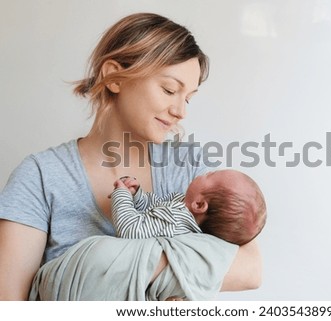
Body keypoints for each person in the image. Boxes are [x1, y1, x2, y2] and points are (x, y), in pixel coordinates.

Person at [0, 12, 262, 300]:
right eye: (169, 89)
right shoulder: (40, 176)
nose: (181, 111)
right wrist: (181, 267)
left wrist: (106, 268)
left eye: (187, 97)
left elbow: (250, 270)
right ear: (113, 76)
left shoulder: (190, 169)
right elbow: (10, 306)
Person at [111, 169, 267, 245]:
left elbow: (131, 229)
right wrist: (137, 195)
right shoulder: (180, 204)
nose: (205, 172)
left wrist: (122, 194)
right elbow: (150, 211)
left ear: (199, 205)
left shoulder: (176, 219)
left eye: (210, 175)